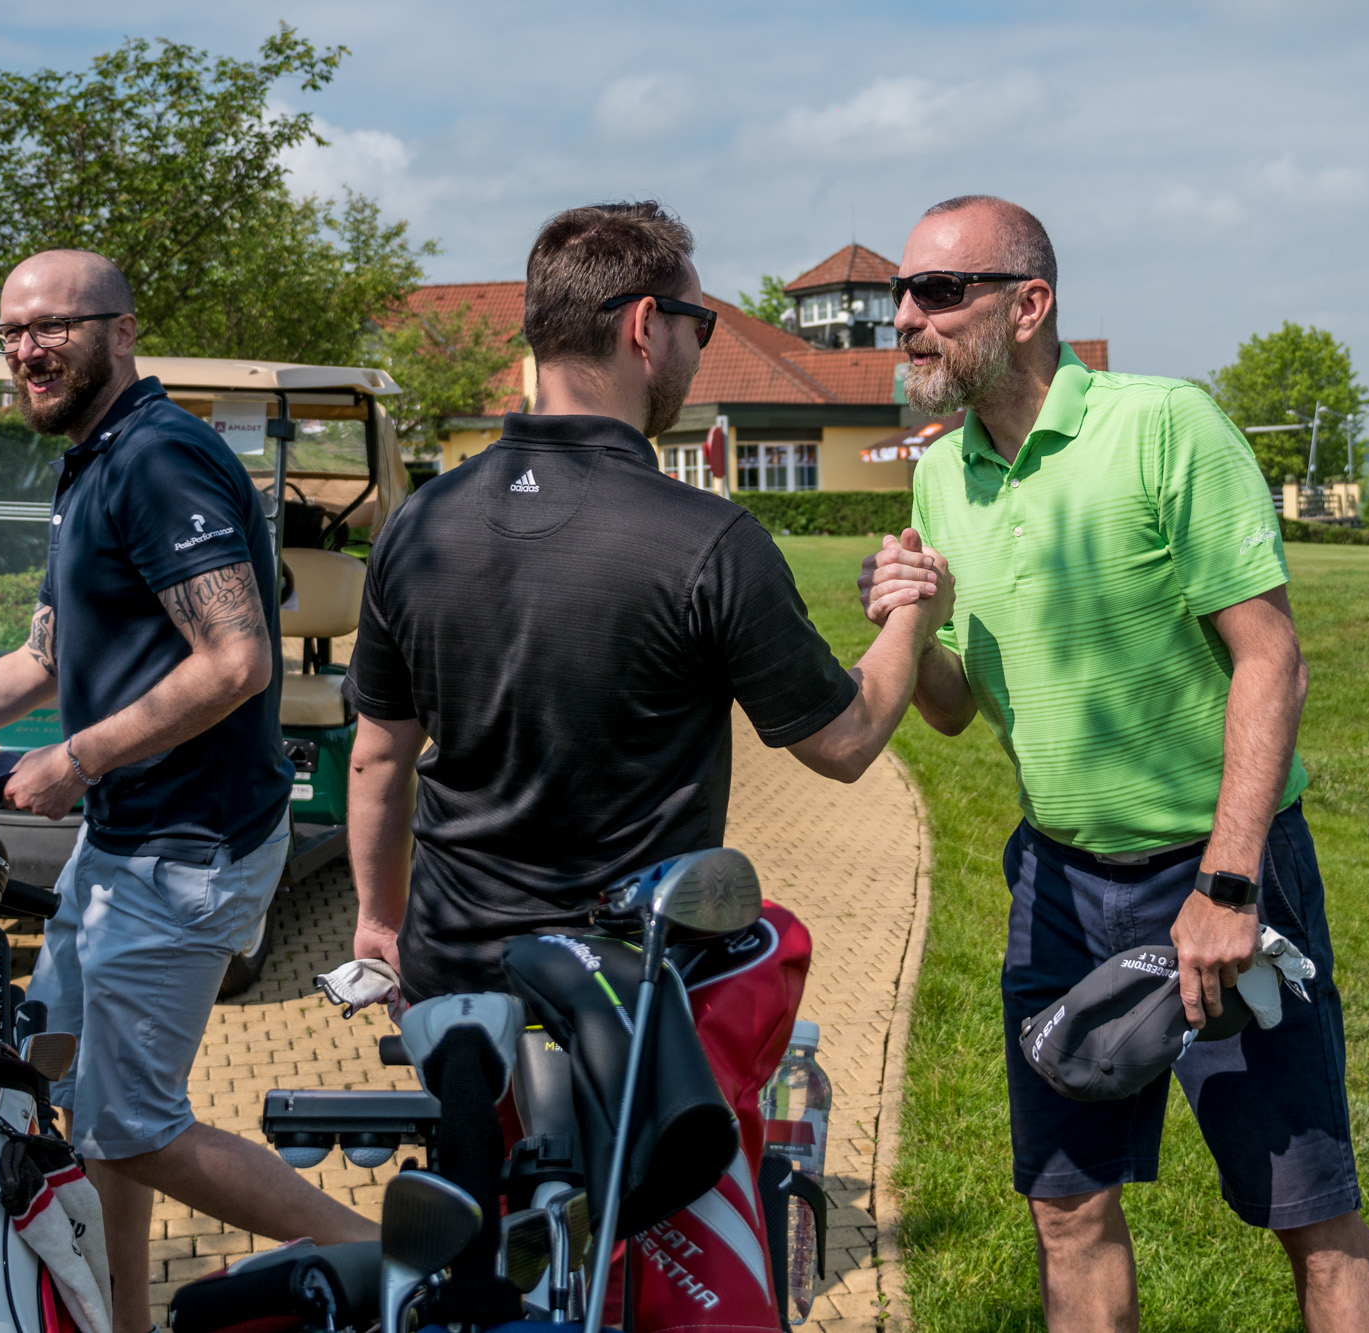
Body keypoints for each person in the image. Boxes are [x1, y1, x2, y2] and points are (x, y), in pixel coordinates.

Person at [858, 197, 1369, 1333]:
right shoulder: (943, 475)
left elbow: (1271, 661)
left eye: (938, 292)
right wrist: (917, 620)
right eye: (897, 295)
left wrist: (1228, 885)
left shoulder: (1164, 426)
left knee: (1305, 1207)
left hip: (1216, 871)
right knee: (1066, 1207)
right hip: (1057, 888)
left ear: (1027, 305)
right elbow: (950, 711)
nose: (905, 317)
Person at [0, 250, 376, 1333]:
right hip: (126, 843)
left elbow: (236, 660)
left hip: (186, 848)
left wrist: (78, 760)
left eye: (53, 326)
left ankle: (398, 1261)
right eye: (12, 331)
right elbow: (43, 659)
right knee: (74, 1100)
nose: (28, 349)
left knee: (134, 1126)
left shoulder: (159, 461)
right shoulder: (95, 462)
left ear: (121, 330)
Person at [342, 201, 951, 1001]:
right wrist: (915, 609)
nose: (698, 353)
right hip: (631, 993)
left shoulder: (420, 524)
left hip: (449, 977)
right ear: (645, 326)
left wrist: (378, 919)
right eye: (698, 327)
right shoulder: (710, 541)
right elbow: (844, 739)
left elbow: (379, 755)